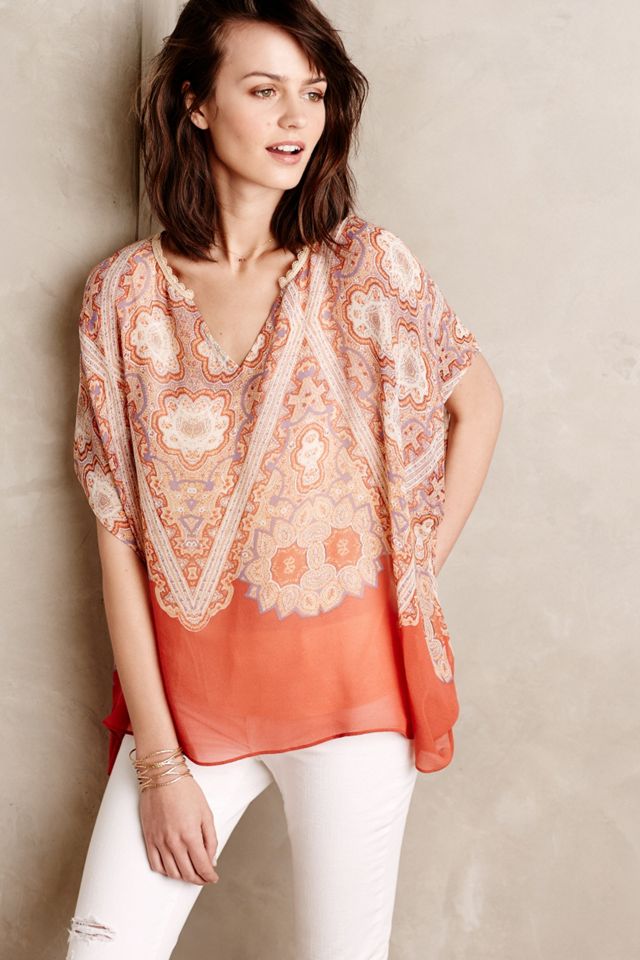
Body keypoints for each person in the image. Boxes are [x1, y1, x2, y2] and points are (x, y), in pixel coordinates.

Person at [66, 1, 503, 957]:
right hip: (187, 717)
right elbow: (116, 532)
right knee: (101, 947)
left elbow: (479, 405)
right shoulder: (122, 296)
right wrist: (159, 765)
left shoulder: (363, 267)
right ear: (195, 102)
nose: (296, 118)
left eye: (312, 92)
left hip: (351, 711)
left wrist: (411, 575)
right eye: (263, 90)